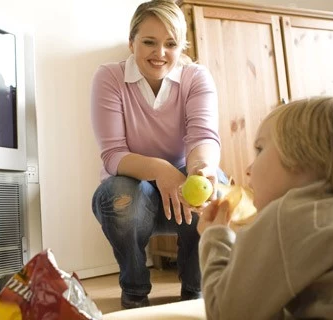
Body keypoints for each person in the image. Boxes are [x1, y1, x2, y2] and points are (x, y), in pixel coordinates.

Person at [90, 0, 228, 309]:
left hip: (182, 184)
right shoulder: (109, 78)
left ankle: (195, 292)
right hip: (131, 190)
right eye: (149, 42)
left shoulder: (196, 78)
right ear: (131, 42)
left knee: (216, 183)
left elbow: (202, 137)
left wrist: (201, 170)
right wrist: (161, 169)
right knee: (117, 196)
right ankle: (135, 291)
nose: (160, 52)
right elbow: (113, 154)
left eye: (171, 44)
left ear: (182, 47)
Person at [197, 96, 333, 319]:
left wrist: (215, 236)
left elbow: (226, 312)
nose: (249, 168)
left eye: (259, 149)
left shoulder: (286, 216)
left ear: (301, 155)